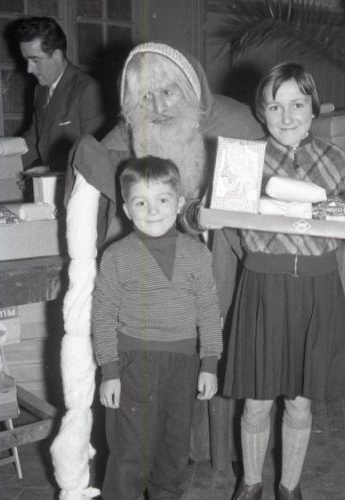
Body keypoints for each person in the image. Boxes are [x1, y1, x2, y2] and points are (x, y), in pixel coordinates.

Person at [50, 42, 265, 499]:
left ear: (192, 89)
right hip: (143, 298)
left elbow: (259, 193)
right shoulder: (129, 131)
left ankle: (220, 459)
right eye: (146, 97)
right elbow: (96, 162)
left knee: (206, 371)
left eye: (169, 92)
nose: (160, 106)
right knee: (138, 441)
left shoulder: (236, 121)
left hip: (218, 256)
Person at [223, 63, 345, 500]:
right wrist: (196, 212)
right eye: (275, 106)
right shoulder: (245, 159)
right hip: (263, 289)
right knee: (257, 400)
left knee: (300, 399)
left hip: (317, 290)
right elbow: (216, 209)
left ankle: (289, 487)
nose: (287, 117)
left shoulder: (336, 158)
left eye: (297, 104)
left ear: (313, 108)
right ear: (262, 112)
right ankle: (250, 483)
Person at [92, 156, 222, 499]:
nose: (152, 211)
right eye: (141, 203)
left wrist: (209, 364)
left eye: (162, 200)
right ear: (127, 209)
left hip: (182, 367)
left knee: (173, 455)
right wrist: (109, 372)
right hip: (133, 366)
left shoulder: (197, 254)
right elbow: (103, 316)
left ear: (179, 203)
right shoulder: (116, 256)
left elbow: (209, 311)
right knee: (129, 458)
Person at [15, 17, 106, 172]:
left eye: (35, 61)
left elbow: (95, 154)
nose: (29, 69)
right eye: (27, 61)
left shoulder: (87, 89)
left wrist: (48, 171)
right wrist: (5, 164)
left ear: (57, 55)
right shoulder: (40, 90)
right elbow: (34, 139)